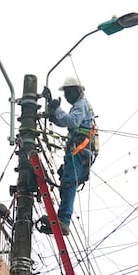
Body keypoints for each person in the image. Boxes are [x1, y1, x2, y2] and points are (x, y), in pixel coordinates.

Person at [43, 76, 96, 236]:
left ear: (75, 90)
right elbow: (66, 122)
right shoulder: (79, 106)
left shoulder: (81, 105)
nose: (65, 96)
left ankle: (64, 220)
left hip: (80, 151)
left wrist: (57, 109)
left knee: (69, 182)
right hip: (78, 151)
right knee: (66, 181)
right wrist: (53, 109)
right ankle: (61, 220)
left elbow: (72, 122)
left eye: (67, 92)